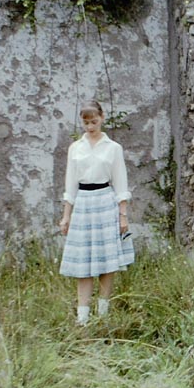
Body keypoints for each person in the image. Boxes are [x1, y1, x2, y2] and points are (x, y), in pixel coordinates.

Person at [58, 100, 135, 324]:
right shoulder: (75, 148)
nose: (90, 126)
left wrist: (123, 215)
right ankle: (82, 318)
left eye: (94, 121)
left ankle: (103, 313)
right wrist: (66, 216)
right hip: (83, 204)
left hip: (105, 203)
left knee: (107, 261)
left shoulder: (113, 148)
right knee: (83, 262)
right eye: (86, 122)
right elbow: (70, 185)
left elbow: (121, 183)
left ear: (102, 118)